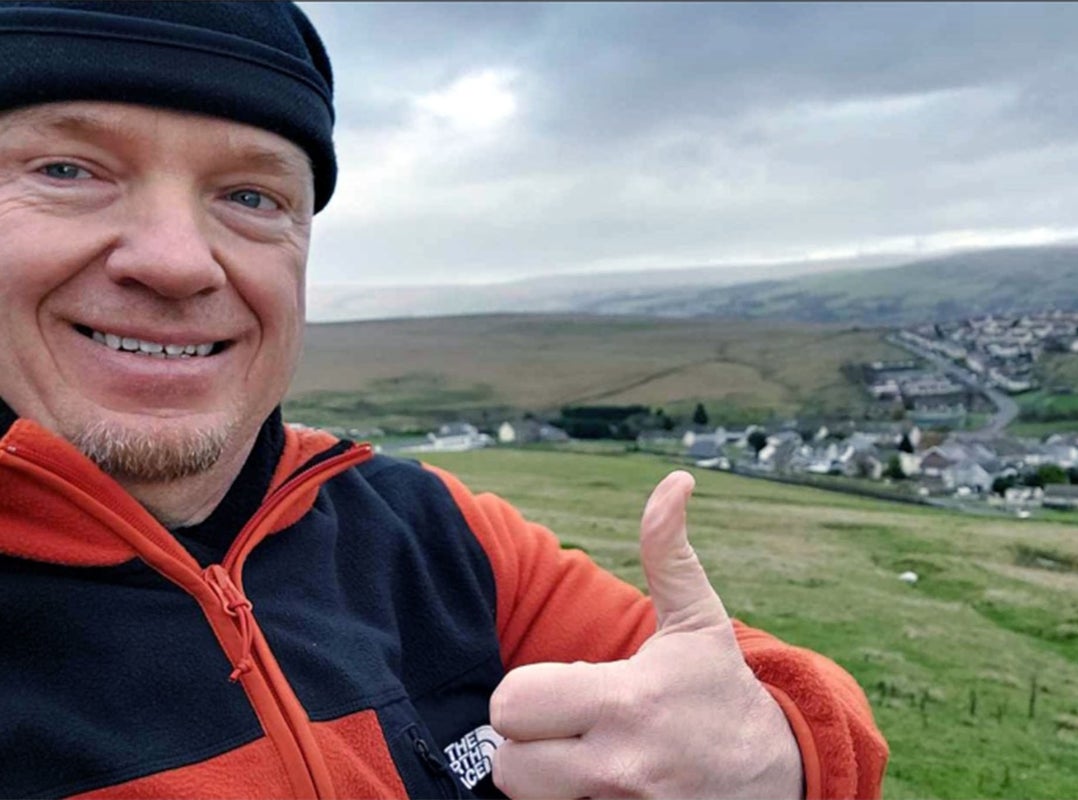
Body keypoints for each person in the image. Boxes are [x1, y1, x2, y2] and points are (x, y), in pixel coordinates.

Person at [0, 2, 887, 797]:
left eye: (251, 195)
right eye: (68, 170)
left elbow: (776, 692)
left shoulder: (427, 532)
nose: (176, 261)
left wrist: (771, 748)